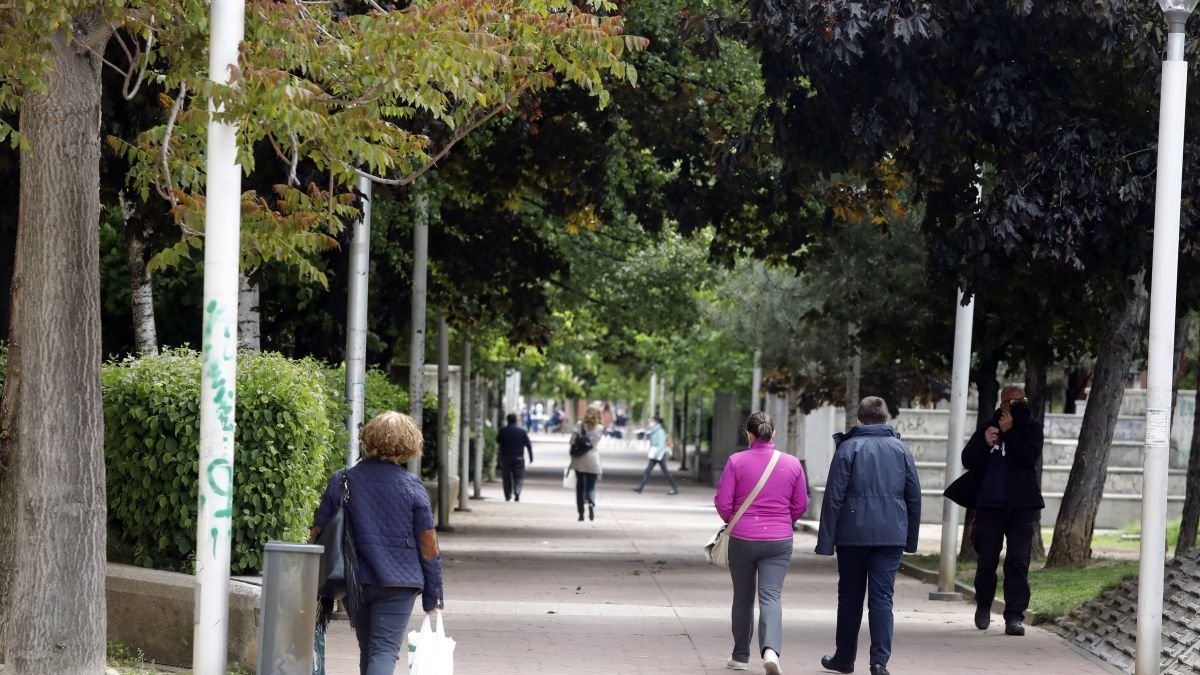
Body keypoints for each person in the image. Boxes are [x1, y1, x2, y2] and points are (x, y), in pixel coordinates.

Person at [310, 411, 444, 675]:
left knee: (369, 649)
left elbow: (318, 530)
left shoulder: (343, 480)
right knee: (383, 651)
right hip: (399, 582)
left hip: (353, 580)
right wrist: (433, 594)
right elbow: (428, 547)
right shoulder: (413, 487)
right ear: (409, 445)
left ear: (368, 439)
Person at [816, 396, 920, 675]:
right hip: (891, 535)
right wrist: (910, 539)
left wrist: (826, 542)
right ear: (886, 419)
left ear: (859, 420)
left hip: (853, 534)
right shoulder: (901, 450)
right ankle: (879, 662)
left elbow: (834, 497)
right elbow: (914, 496)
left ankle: (844, 658)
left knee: (850, 596)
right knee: (882, 598)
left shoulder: (848, 448)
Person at [944, 385, 1044, 636]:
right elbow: (967, 459)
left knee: (1018, 562)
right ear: (1002, 405)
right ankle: (984, 605)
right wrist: (985, 444)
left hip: (1021, 507)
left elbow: (1028, 458)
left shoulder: (1032, 428)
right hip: (990, 506)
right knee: (986, 562)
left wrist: (1010, 433)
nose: (1017, 406)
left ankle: (1014, 617)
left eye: (1022, 401)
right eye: (1012, 402)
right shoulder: (988, 426)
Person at [714, 412, 809, 675]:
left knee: (742, 597)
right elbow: (800, 504)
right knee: (771, 596)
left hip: (742, 540)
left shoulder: (736, 461)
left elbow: (723, 503)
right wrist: (781, 522)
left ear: (749, 434)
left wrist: (736, 521)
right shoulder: (792, 464)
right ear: (773, 434)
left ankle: (740, 656)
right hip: (778, 541)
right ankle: (770, 651)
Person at [568, 404, 604, 521]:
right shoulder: (599, 428)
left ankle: (581, 513)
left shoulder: (579, 426)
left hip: (579, 459)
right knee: (591, 486)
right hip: (593, 460)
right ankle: (591, 503)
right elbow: (595, 443)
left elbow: (572, 441)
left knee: (580, 486)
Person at [632, 415, 679, 495]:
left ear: (656, 422)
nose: (650, 423)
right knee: (648, 471)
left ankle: (674, 488)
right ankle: (640, 487)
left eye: (652, 421)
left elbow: (661, 445)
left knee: (664, 472)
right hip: (656, 454)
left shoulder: (660, 431)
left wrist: (656, 454)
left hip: (659, 455)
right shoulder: (655, 431)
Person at [497, 412, 534, 501]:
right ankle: (517, 490)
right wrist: (531, 457)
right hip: (519, 457)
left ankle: (507, 495)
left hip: (506, 457)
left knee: (506, 477)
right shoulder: (521, 432)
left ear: (507, 420)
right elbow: (528, 445)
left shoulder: (503, 431)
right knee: (519, 476)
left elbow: (498, 441)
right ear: (516, 420)